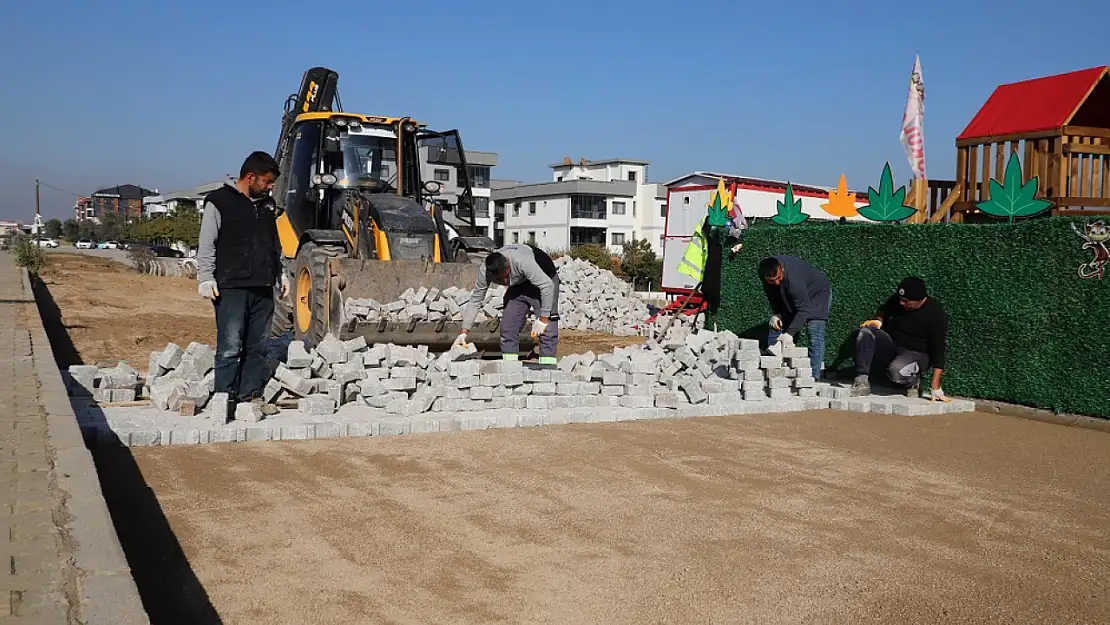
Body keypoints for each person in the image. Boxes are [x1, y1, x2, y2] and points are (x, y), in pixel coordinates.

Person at [196, 151, 288, 420]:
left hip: (262, 286)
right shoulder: (219, 202)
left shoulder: (267, 205)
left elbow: (274, 243)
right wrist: (205, 277)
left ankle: (250, 396)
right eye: (268, 182)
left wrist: (281, 274)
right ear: (251, 177)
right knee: (230, 346)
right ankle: (223, 398)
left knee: (257, 345)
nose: (270, 187)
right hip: (231, 286)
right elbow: (207, 243)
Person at [455, 244, 559, 364]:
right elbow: (476, 300)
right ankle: (510, 369)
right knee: (508, 328)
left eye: (505, 277)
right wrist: (464, 332)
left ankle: (547, 370)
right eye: (499, 279)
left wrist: (544, 318)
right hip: (518, 285)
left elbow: (547, 286)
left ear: (508, 264)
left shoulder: (523, 261)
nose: (504, 282)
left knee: (547, 330)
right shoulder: (485, 271)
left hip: (545, 279)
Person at [851, 276, 949, 400]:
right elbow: (884, 310)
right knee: (866, 331)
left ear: (920, 300)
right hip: (894, 346)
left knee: (896, 372)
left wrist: (935, 386)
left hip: (917, 354)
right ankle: (862, 380)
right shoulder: (899, 302)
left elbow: (939, 350)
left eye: (906, 301)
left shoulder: (936, 313)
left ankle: (914, 381)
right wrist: (878, 321)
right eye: (900, 299)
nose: (901, 303)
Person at [759, 256, 832, 379]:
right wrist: (777, 313)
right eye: (771, 281)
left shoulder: (794, 280)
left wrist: (789, 334)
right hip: (796, 294)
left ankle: (813, 378)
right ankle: (777, 373)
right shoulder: (766, 274)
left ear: (781, 269)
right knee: (778, 324)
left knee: (814, 332)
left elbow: (803, 310)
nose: (776, 283)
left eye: (778, 278)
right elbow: (772, 294)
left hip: (818, 295)